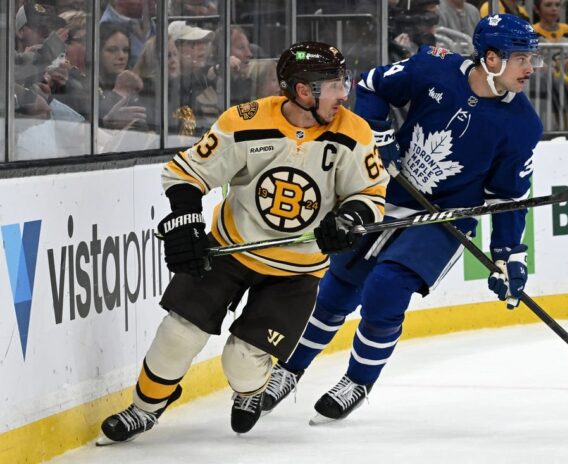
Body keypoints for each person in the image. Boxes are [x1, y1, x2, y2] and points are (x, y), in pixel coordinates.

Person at [97, 41, 389, 443]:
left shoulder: (354, 132)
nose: (344, 93)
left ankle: (251, 391)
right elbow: (187, 173)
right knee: (178, 333)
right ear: (303, 91)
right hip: (231, 250)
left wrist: (348, 218)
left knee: (243, 362)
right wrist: (185, 220)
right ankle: (144, 409)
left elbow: (370, 196)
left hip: (297, 271)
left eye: (345, 82)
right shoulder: (245, 121)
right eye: (335, 85)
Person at [261, 14, 543, 424]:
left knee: (387, 287)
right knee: (336, 291)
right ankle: (289, 369)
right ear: (492, 58)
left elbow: (507, 198)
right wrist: (379, 133)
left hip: (444, 218)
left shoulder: (523, 125)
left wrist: (508, 255)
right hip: (386, 196)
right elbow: (372, 85)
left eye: (531, 59)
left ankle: (358, 381)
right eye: (521, 58)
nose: (530, 68)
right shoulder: (434, 67)